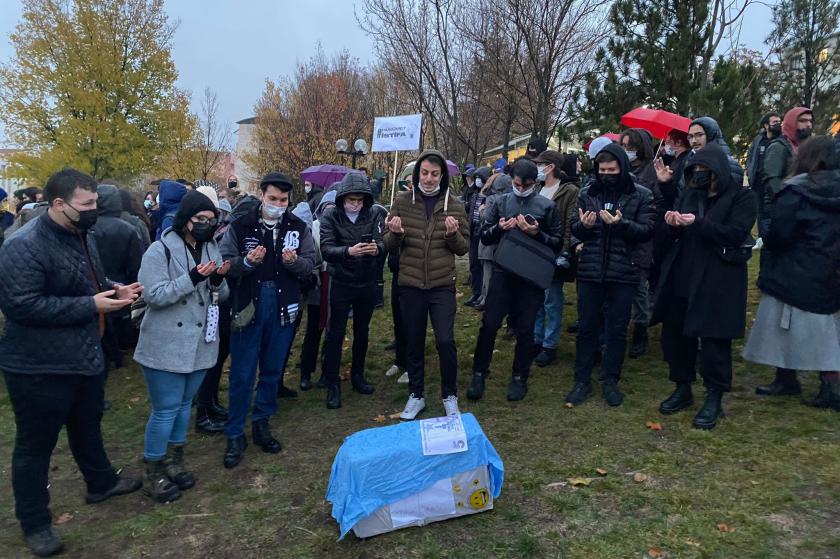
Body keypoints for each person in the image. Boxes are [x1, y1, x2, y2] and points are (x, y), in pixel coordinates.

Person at [0, 168, 143, 557]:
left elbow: (86, 280)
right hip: (37, 366)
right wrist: (90, 305)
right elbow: (20, 305)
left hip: (83, 354)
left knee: (87, 424)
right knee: (35, 446)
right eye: (88, 204)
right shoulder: (22, 245)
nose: (95, 209)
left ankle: (100, 483)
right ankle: (35, 523)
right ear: (59, 204)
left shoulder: (84, 233)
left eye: (96, 202)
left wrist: (113, 288)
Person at [133, 191, 230, 502]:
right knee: (165, 410)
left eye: (211, 220)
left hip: (200, 342)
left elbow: (221, 292)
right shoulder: (158, 250)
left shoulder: (211, 247)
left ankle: (174, 460)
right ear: (185, 219)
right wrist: (191, 277)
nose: (206, 225)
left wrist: (216, 281)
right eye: (199, 220)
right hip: (165, 343)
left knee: (185, 406)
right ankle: (153, 469)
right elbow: (154, 296)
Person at [652, 143, 756, 429]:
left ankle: (714, 396)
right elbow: (674, 226)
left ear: (718, 172)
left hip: (717, 279)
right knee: (676, 335)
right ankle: (682, 386)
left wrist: (697, 224)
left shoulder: (743, 197)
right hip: (683, 274)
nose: (698, 175)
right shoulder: (690, 194)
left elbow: (734, 234)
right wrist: (673, 223)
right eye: (695, 170)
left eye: (704, 171)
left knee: (713, 341)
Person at [219, 172, 315, 468]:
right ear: (262, 195)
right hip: (249, 303)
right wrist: (247, 263)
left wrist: (295, 263)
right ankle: (235, 432)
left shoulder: (297, 227)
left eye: (283, 200)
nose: (277, 205)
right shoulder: (241, 225)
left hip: (283, 304)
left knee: (273, 368)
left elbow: (311, 263)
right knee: (243, 372)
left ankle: (262, 422)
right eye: (272, 199)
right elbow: (226, 263)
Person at [744, 136, 840, 409]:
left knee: (783, 325)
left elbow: (778, 235)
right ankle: (820, 382)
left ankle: (793, 379)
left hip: (794, 271)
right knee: (827, 330)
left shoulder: (795, 191)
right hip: (829, 269)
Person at [566, 144, 656, 407]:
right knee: (586, 328)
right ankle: (582, 380)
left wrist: (621, 224)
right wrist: (582, 227)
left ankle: (610, 380)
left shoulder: (640, 195)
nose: (607, 174)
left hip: (623, 271)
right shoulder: (587, 193)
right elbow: (573, 228)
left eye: (612, 170)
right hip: (590, 270)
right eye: (602, 170)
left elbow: (647, 230)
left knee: (617, 329)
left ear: (622, 168)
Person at [467, 158, 563, 402]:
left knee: (526, 327)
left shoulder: (546, 206)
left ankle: (520, 376)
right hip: (502, 271)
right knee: (489, 324)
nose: (521, 188)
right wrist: (500, 228)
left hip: (530, 275)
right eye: (517, 184)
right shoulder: (500, 201)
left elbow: (557, 242)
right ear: (511, 180)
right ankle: (479, 373)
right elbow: (485, 237)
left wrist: (536, 233)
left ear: (535, 182)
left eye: (526, 185)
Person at [383, 149, 469, 420]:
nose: (429, 179)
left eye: (434, 174)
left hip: (442, 285)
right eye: (424, 173)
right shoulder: (402, 201)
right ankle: (416, 395)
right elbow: (388, 243)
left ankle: (450, 395)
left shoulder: (454, 204)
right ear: (416, 174)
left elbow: (463, 248)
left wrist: (453, 234)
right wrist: (395, 234)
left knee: (445, 340)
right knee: (413, 342)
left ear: (442, 175)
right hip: (410, 284)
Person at [319, 173, 386, 409]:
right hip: (342, 282)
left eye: (359, 200)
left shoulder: (374, 213)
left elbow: (381, 241)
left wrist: (375, 249)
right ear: (342, 199)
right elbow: (326, 249)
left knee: (362, 331)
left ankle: (358, 374)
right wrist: (348, 252)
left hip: (366, 282)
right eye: (351, 200)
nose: (355, 205)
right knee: (336, 333)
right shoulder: (331, 215)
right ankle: (332, 381)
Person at [531, 151, 580, 367]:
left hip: (554, 251)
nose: (536, 169)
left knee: (552, 301)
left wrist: (565, 251)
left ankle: (549, 345)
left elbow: (570, 222)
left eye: (539, 165)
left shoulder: (569, 191)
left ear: (550, 167)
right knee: (536, 301)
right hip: (534, 252)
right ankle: (536, 339)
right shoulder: (536, 188)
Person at [91, 184, 144, 364]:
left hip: (95, 279)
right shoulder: (128, 228)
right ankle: (118, 352)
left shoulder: (88, 228)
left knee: (100, 318)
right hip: (122, 281)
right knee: (118, 318)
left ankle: (109, 354)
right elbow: (135, 261)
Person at [299, 190, 336, 390]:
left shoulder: (340, 228)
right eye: (326, 208)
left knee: (333, 330)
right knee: (313, 330)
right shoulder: (312, 228)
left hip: (336, 284)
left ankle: (327, 371)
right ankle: (306, 371)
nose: (329, 212)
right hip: (317, 284)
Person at [474, 170, 513, 311]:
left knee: (487, 273)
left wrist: (482, 211)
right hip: (500, 243)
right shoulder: (510, 198)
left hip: (488, 242)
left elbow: (486, 219)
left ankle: (485, 299)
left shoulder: (492, 199)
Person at [746, 112, 782, 217]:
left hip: (773, 183)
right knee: (759, 212)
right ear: (766, 125)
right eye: (775, 122)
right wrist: (749, 172)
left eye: (779, 122)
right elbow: (750, 156)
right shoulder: (758, 140)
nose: (778, 124)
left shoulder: (781, 141)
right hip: (758, 183)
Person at [463, 166, 490, 307]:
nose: (477, 181)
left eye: (479, 178)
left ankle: (484, 296)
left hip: (484, 235)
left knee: (484, 267)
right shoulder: (474, 194)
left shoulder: (490, 196)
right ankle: (476, 293)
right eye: (476, 178)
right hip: (473, 233)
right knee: (473, 265)